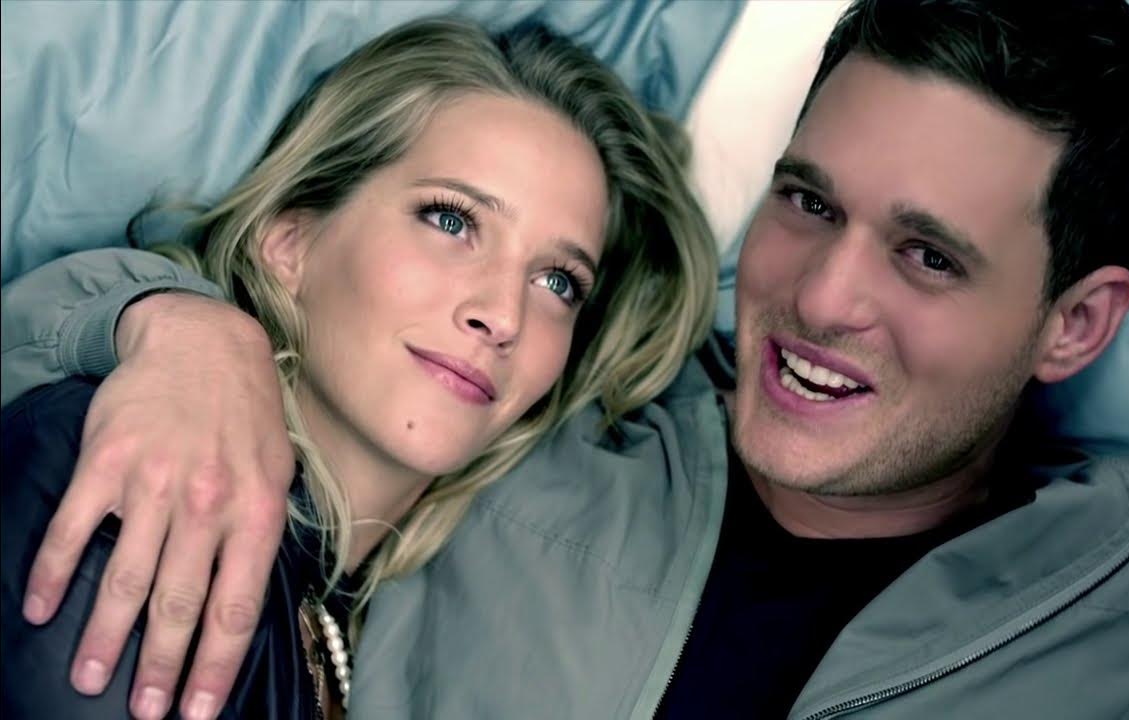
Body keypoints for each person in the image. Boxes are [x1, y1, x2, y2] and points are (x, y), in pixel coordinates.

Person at [2, 0, 1129, 718]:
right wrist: (177, 327)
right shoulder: (561, 426)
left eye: (928, 254)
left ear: (1076, 324)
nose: (819, 297)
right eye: (807, 202)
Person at [0, 16, 717, 720]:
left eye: (558, 281)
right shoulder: (137, 481)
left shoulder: (364, 625)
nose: (503, 315)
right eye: (452, 221)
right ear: (290, 240)